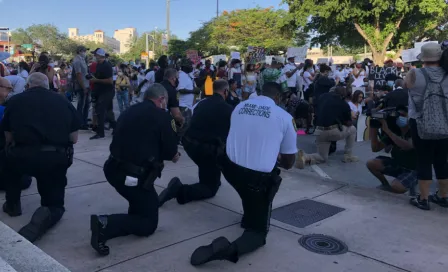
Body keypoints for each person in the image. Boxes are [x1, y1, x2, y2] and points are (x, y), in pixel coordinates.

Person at [189, 82, 296, 266]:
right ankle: (229, 249)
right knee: (258, 233)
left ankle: (249, 217)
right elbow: (289, 162)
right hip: (256, 179)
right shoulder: (284, 117)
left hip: (230, 169)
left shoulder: (239, 107)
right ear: (277, 97)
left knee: (248, 191)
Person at [89, 84, 180, 256]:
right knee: (149, 224)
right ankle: (105, 224)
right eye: (165, 101)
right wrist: (174, 155)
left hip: (113, 168)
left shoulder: (129, 110)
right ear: (161, 99)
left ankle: (127, 219)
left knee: (142, 204)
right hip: (133, 176)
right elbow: (170, 151)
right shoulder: (162, 116)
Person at [1, 72, 80, 242]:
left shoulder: (14, 101)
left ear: (28, 86)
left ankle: (13, 204)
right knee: (54, 203)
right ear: (48, 85)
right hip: (53, 159)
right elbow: (73, 139)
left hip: (21, 156)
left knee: (10, 164)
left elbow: (8, 138)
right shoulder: (63, 101)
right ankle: (44, 215)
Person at [158, 80, 233, 207]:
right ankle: (179, 190)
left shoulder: (201, 103)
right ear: (225, 92)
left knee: (207, 166)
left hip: (189, 144)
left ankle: (210, 178)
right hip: (205, 148)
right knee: (210, 189)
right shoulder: (228, 109)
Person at [406, 43, 448, 210]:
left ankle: (423, 199)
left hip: (420, 122)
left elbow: (406, 86)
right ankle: (444, 196)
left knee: (424, 160)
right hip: (445, 124)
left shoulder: (415, 73)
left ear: (423, 58)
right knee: (441, 161)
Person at [296, 86, 358, 167]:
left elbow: (314, 106)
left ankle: (305, 157)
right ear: (343, 95)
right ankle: (348, 155)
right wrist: (351, 116)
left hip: (319, 131)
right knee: (353, 129)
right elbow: (348, 123)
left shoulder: (322, 97)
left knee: (322, 157)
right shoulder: (343, 104)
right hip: (332, 131)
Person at [367, 106, 417, 194]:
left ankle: (400, 187)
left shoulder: (415, 131)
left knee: (396, 186)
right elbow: (375, 148)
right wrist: (374, 129)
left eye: (402, 115)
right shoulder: (395, 131)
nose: (399, 117)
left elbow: (408, 146)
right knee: (371, 163)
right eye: (397, 115)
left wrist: (387, 130)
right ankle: (385, 185)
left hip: (414, 169)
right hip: (398, 164)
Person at [89, 48, 114, 140]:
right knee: (108, 113)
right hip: (101, 91)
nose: (94, 56)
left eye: (95, 55)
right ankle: (116, 128)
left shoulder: (106, 66)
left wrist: (96, 80)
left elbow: (110, 81)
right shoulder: (99, 65)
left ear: (99, 56)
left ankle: (100, 133)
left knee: (100, 111)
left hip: (106, 92)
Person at [177, 58, 201, 141]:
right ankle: (178, 139)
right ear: (184, 66)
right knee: (184, 124)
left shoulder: (187, 75)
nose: (191, 67)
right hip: (183, 105)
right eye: (190, 65)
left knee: (187, 123)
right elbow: (181, 90)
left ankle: (181, 139)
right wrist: (193, 91)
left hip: (188, 104)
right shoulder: (181, 75)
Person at [72, 46, 91, 130]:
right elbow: (78, 75)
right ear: (79, 51)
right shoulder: (77, 61)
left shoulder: (82, 60)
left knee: (86, 105)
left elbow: (84, 73)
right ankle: (79, 123)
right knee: (81, 105)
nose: (85, 52)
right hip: (81, 86)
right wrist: (83, 87)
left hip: (86, 85)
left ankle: (84, 122)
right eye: (84, 51)